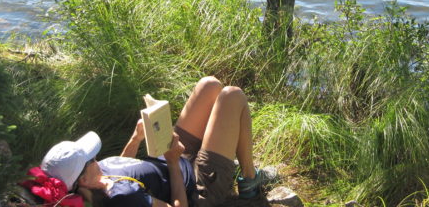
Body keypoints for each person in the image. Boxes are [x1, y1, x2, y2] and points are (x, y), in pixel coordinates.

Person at [33, 76, 277, 207]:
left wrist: (136, 137)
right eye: (91, 159)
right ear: (82, 181)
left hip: (172, 156)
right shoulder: (123, 198)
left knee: (209, 85)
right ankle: (249, 181)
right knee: (232, 95)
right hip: (198, 185)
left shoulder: (95, 180)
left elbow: (121, 165)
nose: (97, 159)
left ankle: (232, 161)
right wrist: (172, 163)